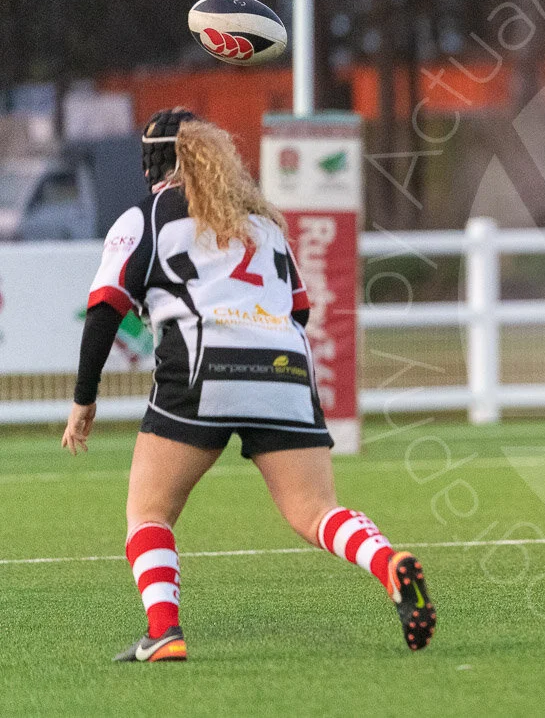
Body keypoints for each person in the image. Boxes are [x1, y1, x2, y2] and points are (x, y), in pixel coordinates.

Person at [62, 109, 434, 662]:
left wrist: (83, 401)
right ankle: (388, 565)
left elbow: (104, 313)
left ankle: (164, 631)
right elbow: (300, 311)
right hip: (285, 365)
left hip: (200, 366)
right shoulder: (263, 223)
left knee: (149, 512)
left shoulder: (144, 218)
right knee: (315, 511)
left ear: (153, 163)